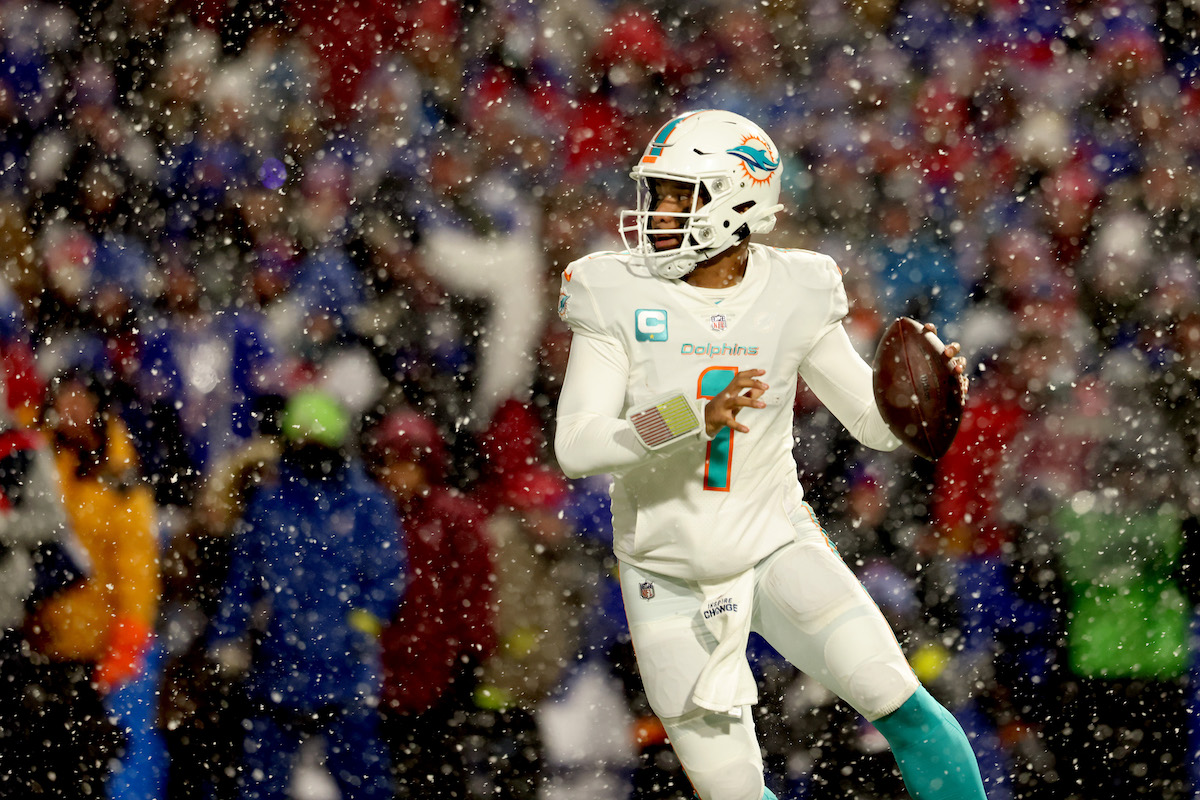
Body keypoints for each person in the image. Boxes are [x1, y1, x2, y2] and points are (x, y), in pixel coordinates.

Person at [553, 109, 983, 800]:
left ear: (736, 200)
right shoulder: (614, 288)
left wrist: (928, 404)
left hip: (774, 541)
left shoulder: (798, 287)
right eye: (655, 192)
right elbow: (576, 445)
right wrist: (685, 418)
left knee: (903, 706)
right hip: (669, 572)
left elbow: (872, 426)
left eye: (677, 194)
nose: (656, 211)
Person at [208, 388, 406, 800]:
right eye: (304, 443)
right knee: (261, 785)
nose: (312, 453)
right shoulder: (269, 504)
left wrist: (359, 628)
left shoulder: (368, 504)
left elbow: (388, 576)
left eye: (320, 444)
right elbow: (242, 580)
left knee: (365, 784)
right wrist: (228, 638)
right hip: (276, 668)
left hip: (345, 673)